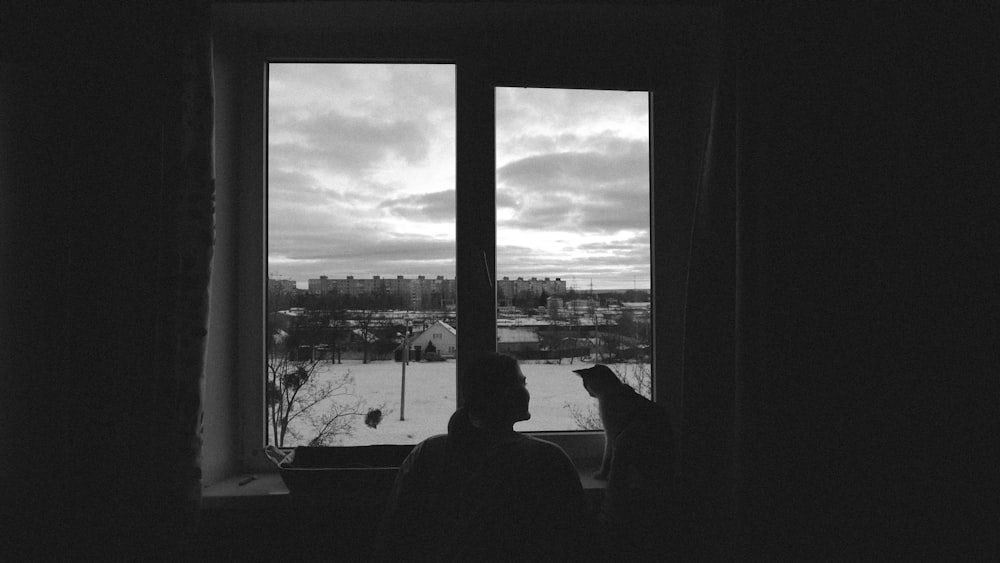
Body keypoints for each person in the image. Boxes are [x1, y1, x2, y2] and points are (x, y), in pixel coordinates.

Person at [374, 353, 602, 562]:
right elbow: (577, 541)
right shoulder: (545, 459)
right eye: (522, 382)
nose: (526, 389)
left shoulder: (427, 453)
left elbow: (394, 537)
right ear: (507, 394)